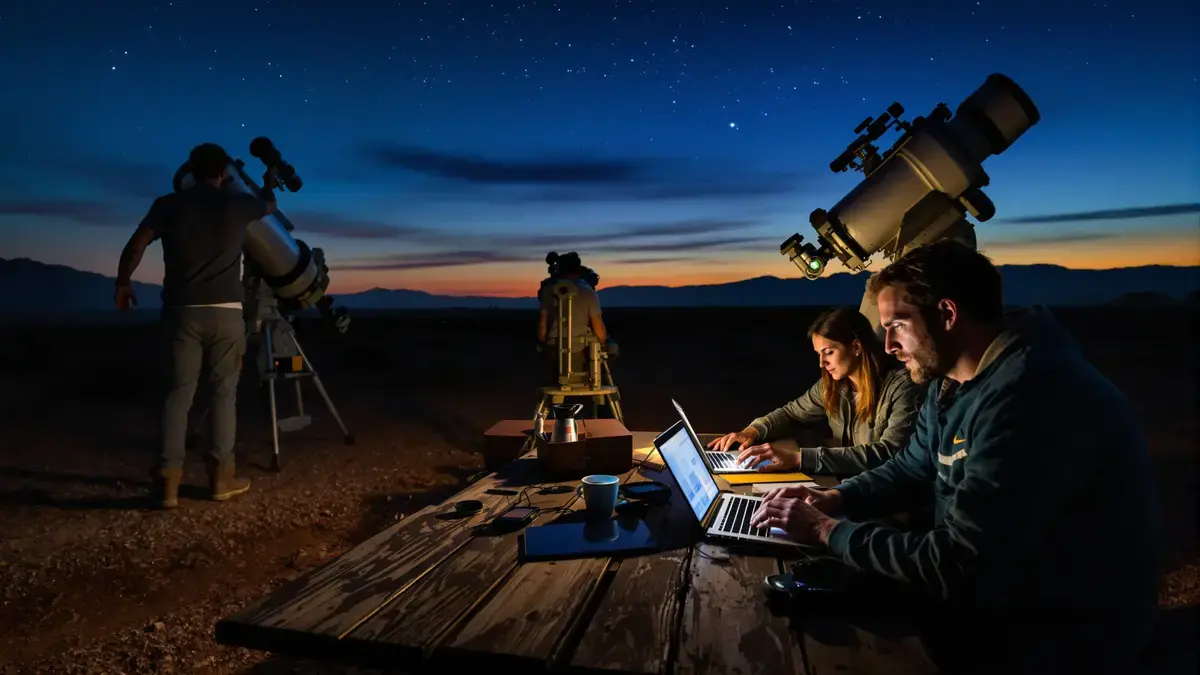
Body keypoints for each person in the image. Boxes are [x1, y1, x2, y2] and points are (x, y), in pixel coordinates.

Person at [749, 241, 1163, 674]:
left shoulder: (1028, 395)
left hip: (1059, 633)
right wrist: (835, 499)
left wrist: (826, 530)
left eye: (897, 326)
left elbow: (962, 562)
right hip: (1000, 600)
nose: (887, 345)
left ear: (947, 314)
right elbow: (912, 466)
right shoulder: (950, 382)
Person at [115, 142, 278, 509]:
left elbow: (136, 244)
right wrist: (268, 181)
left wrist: (123, 282)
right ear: (224, 172)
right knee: (223, 395)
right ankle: (221, 478)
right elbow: (269, 205)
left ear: (191, 171)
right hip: (226, 314)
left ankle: (168, 482)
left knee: (178, 394)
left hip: (181, 312)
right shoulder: (239, 204)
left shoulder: (167, 205)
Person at [708, 307, 922, 476]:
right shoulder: (833, 385)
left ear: (856, 347)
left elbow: (889, 452)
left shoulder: (902, 387)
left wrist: (799, 458)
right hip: (845, 484)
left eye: (829, 352)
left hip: (885, 499)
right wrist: (752, 431)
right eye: (819, 353)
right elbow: (791, 413)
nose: (822, 363)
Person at [537, 251, 616, 383]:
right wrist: (605, 344)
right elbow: (598, 327)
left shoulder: (548, 291)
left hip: (553, 350)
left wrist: (543, 343)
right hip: (580, 350)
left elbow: (542, 327)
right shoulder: (588, 292)